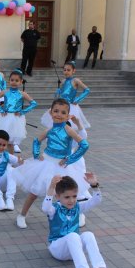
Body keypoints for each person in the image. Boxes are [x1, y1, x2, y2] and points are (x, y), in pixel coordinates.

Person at [13, 98, 90, 229]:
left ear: (67, 116)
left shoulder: (68, 129)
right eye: (56, 111)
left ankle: (78, 213)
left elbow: (84, 144)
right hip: (46, 163)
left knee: (68, 192)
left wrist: (70, 159)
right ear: (51, 113)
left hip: (62, 166)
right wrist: (37, 154)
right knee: (34, 192)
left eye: (63, 112)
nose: (59, 114)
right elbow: (36, 141)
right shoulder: (49, 130)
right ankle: (22, 215)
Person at [42, 174, 110, 268]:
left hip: (74, 250)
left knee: (88, 234)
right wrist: (51, 187)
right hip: (58, 249)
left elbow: (95, 201)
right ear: (58, 196)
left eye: (74, 196)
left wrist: (94, 185)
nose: (72, 200)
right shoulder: (54, 209)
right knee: (73, 235)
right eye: (67, 197)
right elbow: (45, 208)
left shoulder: (77, 206)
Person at [0, 69, 37, 153]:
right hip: (4, 117)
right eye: (12, 80)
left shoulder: (22, 94)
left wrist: (22, 112)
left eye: (17, 80)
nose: (14, 82)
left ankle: (11, 158)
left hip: (15, 118)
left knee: (10, 141)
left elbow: (33, 103)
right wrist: (0, 109)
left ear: (21, 82)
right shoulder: (5, 92)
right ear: (9, 81)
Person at [41, 61, 91, 129]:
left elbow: (87, 90)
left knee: (69, 126)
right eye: (64, 70)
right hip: (61, 105)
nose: (66, 72)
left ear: (73, 71)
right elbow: (59, 95)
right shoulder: (63, 81)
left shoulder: (75, 80)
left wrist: (78, 99)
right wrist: (57, 92)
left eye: (68, 70)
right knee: (57, 123)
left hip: (70, 106)